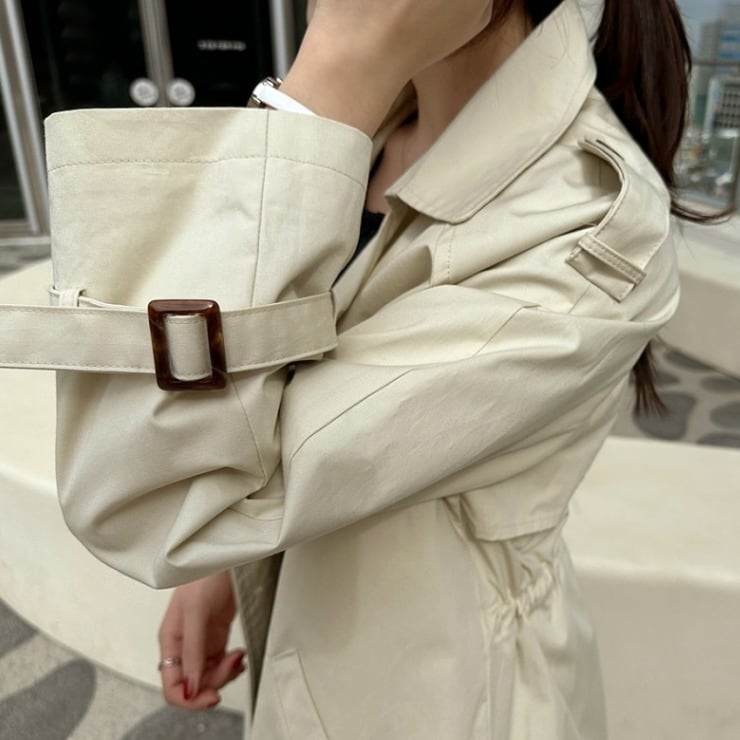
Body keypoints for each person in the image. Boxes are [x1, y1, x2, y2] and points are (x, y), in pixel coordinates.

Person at [60, 0, 693, 737]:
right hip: (324, 624)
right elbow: (277, 405)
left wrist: (337, 67)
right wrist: (229, 563)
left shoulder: (587, 225)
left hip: (446, 693)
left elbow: (147, 495)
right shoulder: (365, 125)